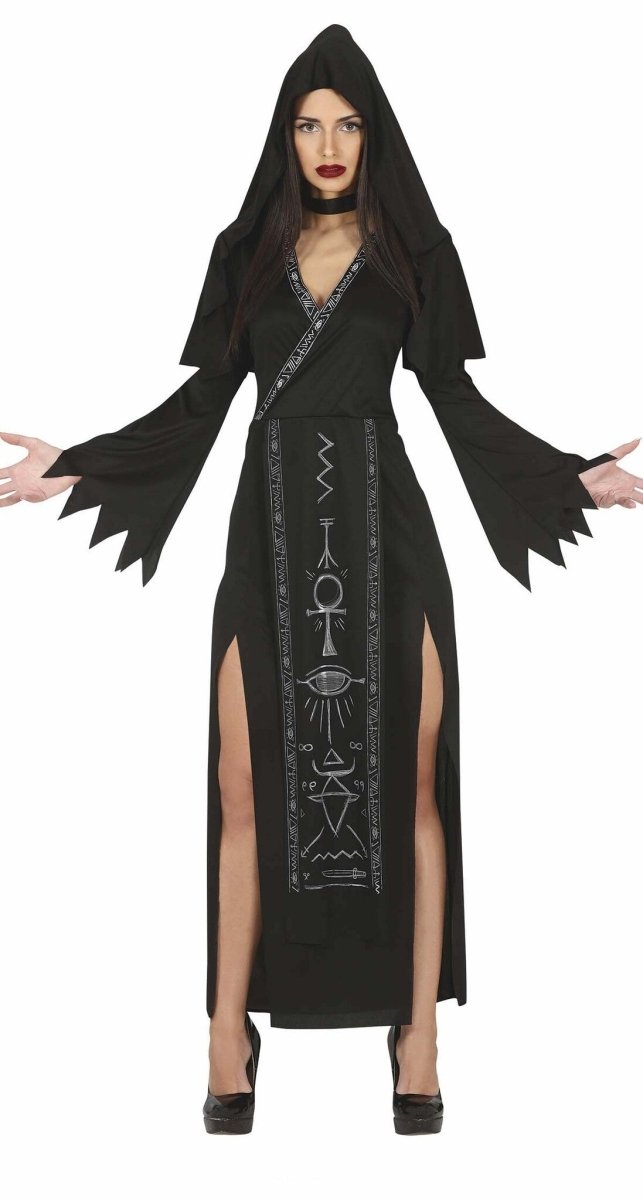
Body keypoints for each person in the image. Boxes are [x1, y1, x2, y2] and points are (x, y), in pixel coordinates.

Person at [1, 25, 640, 1136]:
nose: (328, 144)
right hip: (269, 530)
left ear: (373, 134)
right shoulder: (241, 251)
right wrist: (80, 464)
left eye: (346, 124)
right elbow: (202, 405)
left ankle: (418, 1033)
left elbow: (454, 403)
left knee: (413, 779)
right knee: (242, 781)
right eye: (308, 124)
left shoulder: (415, 253)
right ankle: (225, 1032)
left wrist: (565, 478)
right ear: (284, 136)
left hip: (387, 531)